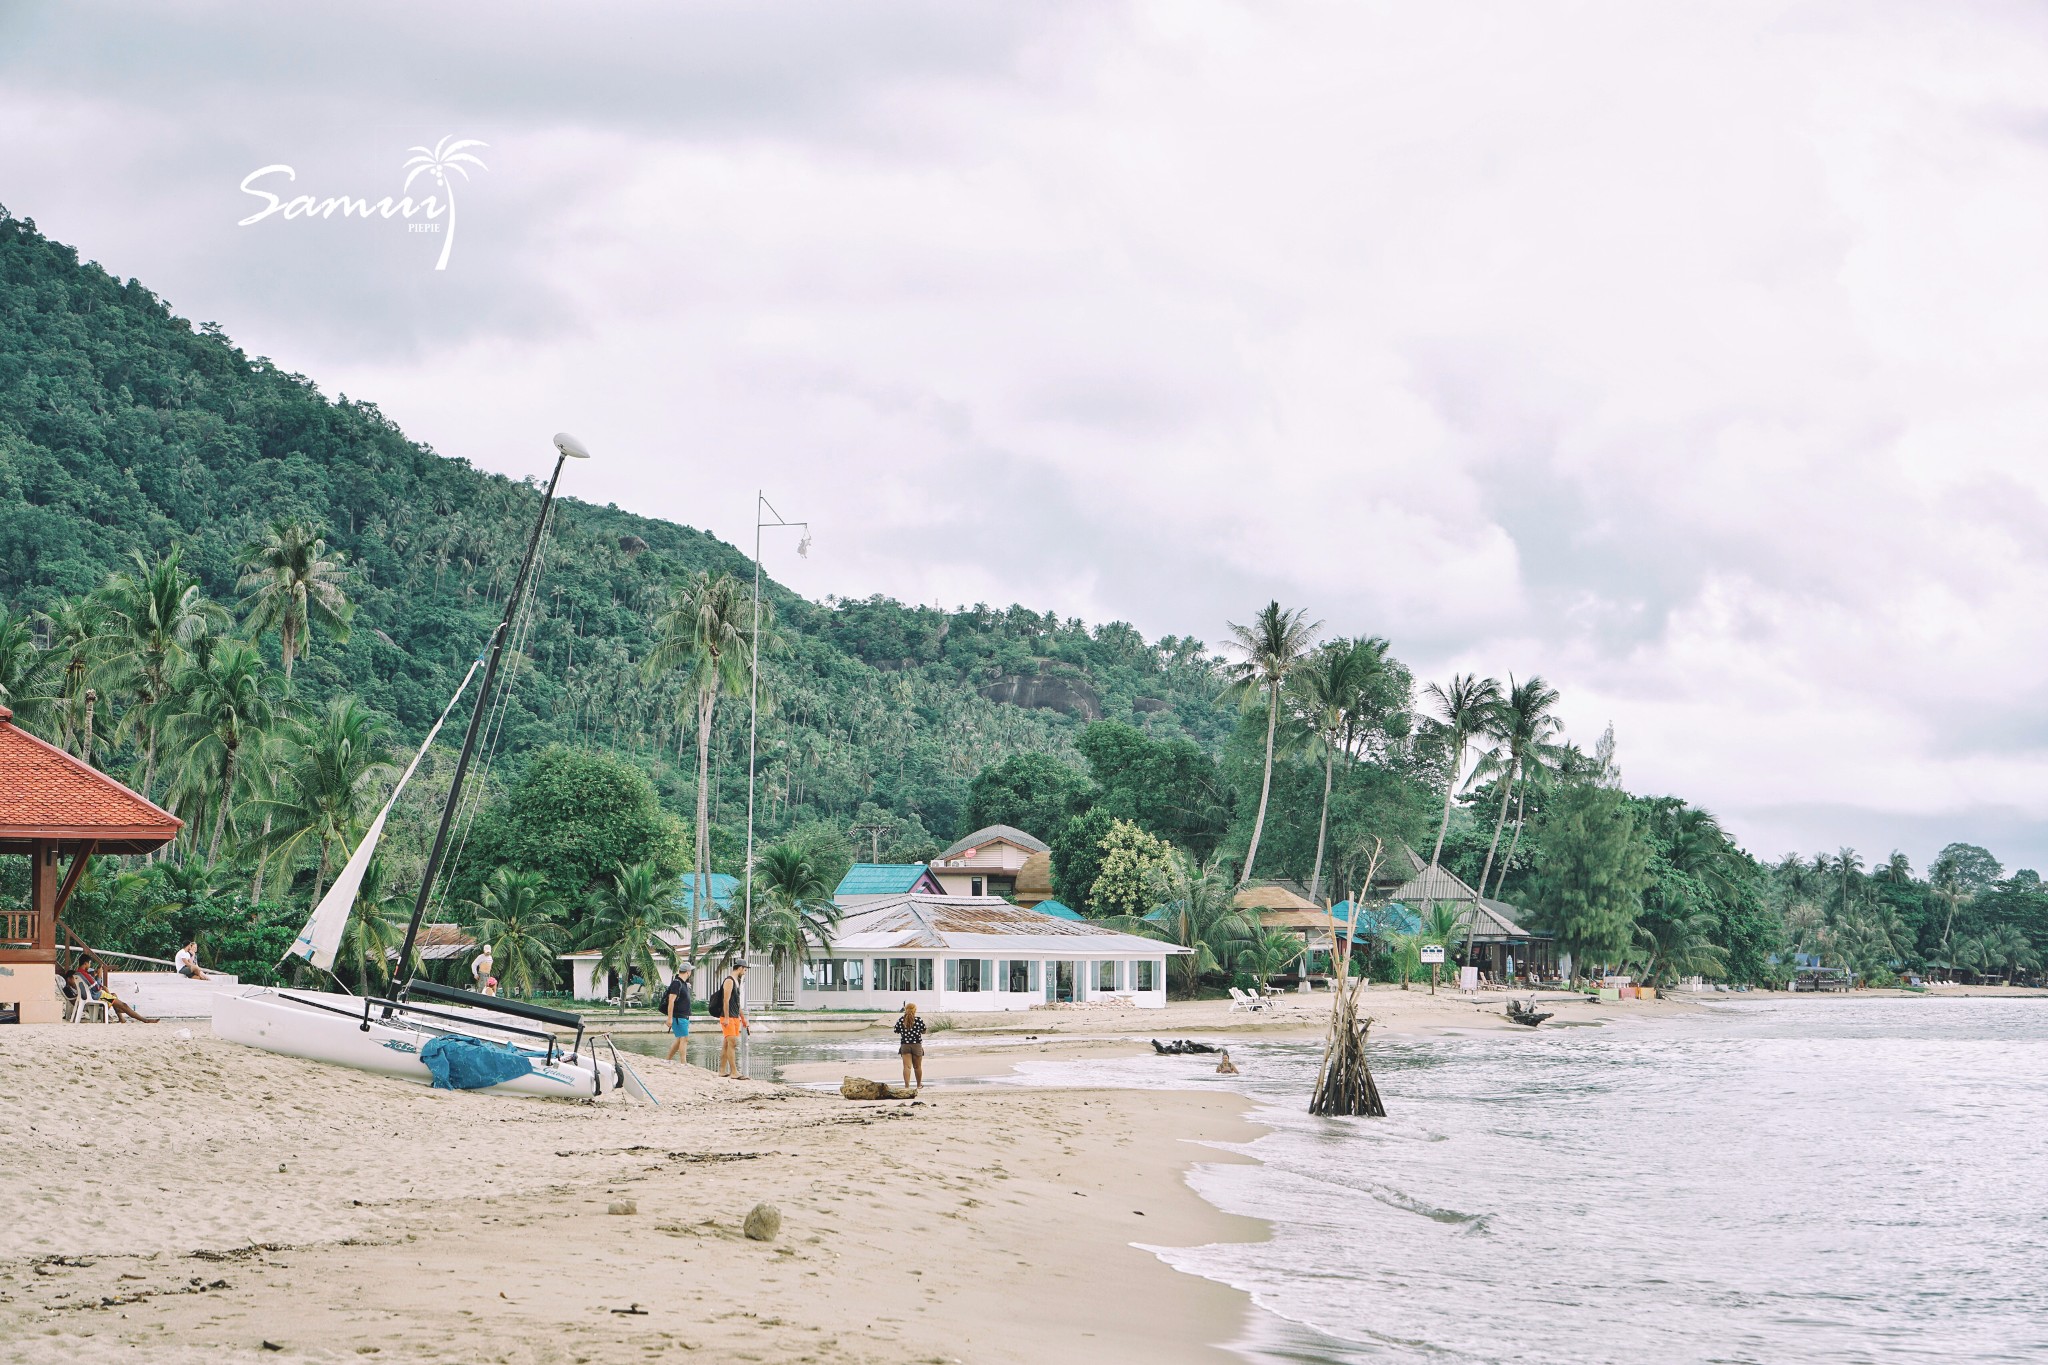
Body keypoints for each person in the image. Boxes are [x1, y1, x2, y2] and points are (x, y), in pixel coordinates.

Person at [710, 964, 749, 1079]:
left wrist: (743, 1018)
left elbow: (737, 1004)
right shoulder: (729, 981)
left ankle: (722, 1070)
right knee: (733, 1043)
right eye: (745, 970)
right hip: (728, 1017)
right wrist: (726, 1018)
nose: (745, 972)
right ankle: (734, 1072)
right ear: (740, 968)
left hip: (735, 1017)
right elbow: (725, 1000)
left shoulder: (737, 982)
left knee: (727, 1044)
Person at [660, 968, 693, 1064]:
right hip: (679, 1016)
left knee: (680, 1039)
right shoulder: (677, 983)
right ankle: (683, 1063)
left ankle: (668, 1059)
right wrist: (670, 1018)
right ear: (688, 972)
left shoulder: (683, 983)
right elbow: (671, 1000)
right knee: (684, 1038)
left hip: (683, 1016)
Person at [893, 1001, 926, 1091]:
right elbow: (924, 1030)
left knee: (907, 1067)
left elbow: (896, 1030)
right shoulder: (918, 1020)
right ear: (915, 1010)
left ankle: (907, 1086)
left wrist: (905, 1032)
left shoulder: (901, 1020)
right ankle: (918, 1085)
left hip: (905, 1045)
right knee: (917, 1066)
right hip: (917, 1044)